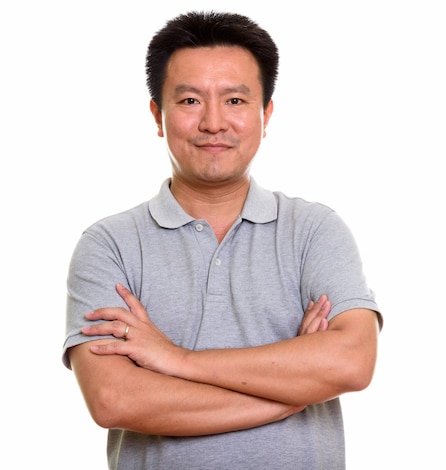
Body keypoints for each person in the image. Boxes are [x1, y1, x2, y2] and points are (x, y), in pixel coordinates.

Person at [62, 10, 382, 470]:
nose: (214, 122)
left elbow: (352, 363)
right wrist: (289, 395)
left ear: (265, 114)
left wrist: (176, 360)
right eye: (190, 101)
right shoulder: (109, 245)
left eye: (235, 101)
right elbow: (115, 398)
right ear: (158, 115)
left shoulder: (314, 230)